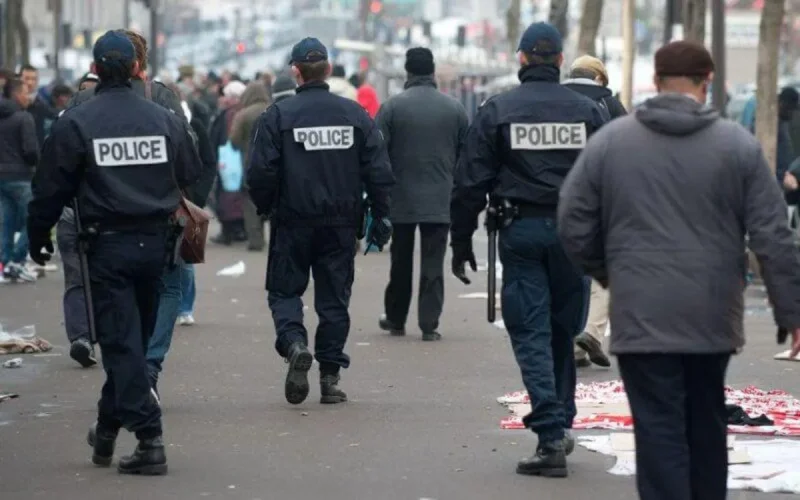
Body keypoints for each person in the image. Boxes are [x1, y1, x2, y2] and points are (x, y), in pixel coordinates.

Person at [557, 40, 800, 500]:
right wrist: (791, 312)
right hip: (711, 316)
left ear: (655, 81)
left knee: (658, 428)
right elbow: (773, 235)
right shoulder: (738, 147)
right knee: (705, 419)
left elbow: (572, 220)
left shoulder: (612, 143)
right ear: (707, 83)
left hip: (641, 315)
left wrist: (610, 272)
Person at [27, 31, 201, 475]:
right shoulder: (163, 119)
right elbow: (190, 171)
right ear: (137, 69)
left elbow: (51, 186)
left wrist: (38, 233)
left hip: (106, 245)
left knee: (123, 345)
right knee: (133, 343)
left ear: (96, 70)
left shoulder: (77, 121)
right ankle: (105, 432)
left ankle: (150, 438)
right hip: (155, 244)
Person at [449, 22, 607, 477]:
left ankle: (552, 434)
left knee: (531, 333)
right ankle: (561, 422)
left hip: (521, 232)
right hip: (574, 236)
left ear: (521, 59)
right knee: (561, 331)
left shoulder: (498, 109)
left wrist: (461, 241)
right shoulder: (588, 112)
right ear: (559, 61)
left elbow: (470, 181)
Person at [248, 37, 394, 406]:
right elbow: (378, 169)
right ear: (327, 69)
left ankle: (295, 343)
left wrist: (266, 207)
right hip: (341, 223)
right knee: (334, 299)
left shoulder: (278, 116)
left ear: (295, 72)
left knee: (284, 292)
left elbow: (260, 173)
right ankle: (330, 377)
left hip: (293, 220)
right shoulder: (354, 114)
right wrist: (381, 214)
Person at [57, 28, 194, 369]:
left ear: (96, 66)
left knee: (105, 291)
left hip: (99, 223)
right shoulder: (160, 100)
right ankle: (147, 368)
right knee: (166, 289)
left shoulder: (81, 104)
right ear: (137, 65)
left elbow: (57, 163)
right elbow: (190, 157)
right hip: (156, 219)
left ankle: (121, 368)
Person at [376, 47, 469, 341]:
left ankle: (396, 318)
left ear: (407, 71)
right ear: (431, 71)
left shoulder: (391, 107)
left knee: (400, 261)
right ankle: (429, 324)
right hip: (441, 198)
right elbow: (466, 155)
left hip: (400, 197)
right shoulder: (454, 109)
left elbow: (378, 154)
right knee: (433, 261)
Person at [562, 54, 626, 369]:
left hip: (560, 199)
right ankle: (590, 331)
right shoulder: (610, 106)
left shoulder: (555, 102)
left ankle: (572, 340)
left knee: (568, 270)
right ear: (600, 78)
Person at [0, 78, 39, 283]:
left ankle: (4, 263)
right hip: (22, 176)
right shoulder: (24, 118)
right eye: (25, 92)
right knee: (31, 221)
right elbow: (30, 150)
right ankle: (18, 261)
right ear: (16, 94)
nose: (28, 97)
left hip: (1, 177)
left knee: (6, 222)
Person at [231, 81, 272, 251]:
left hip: (250, 162)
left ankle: (256, 240)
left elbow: (234, 140)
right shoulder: (274, 110)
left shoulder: (243, 115)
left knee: (250, 202)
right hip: (273, 162)